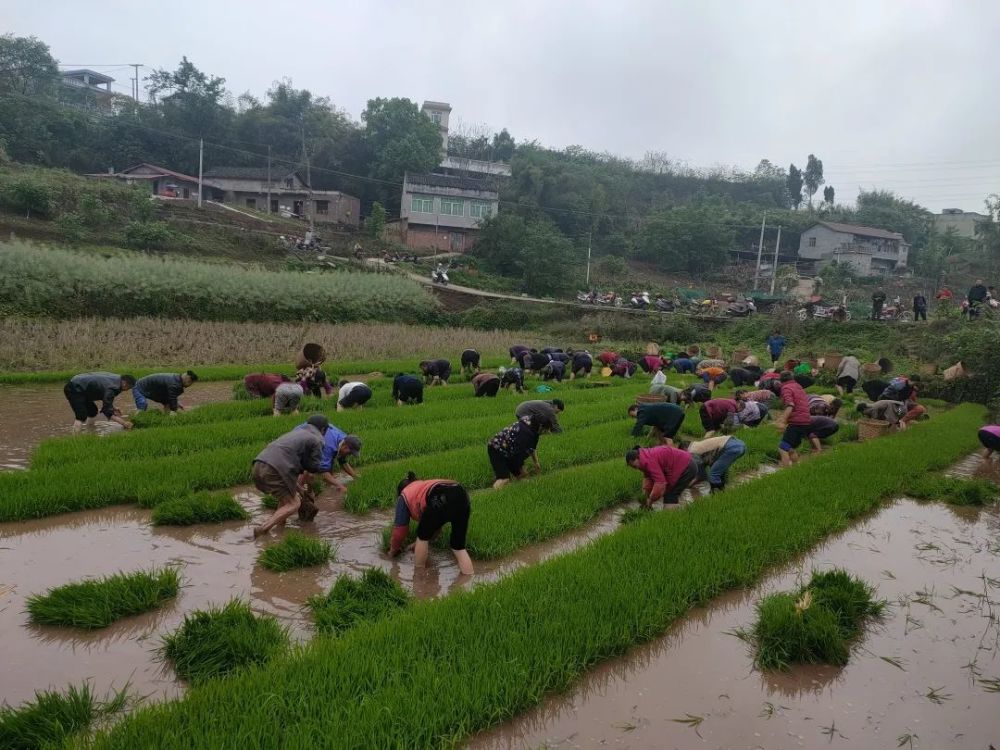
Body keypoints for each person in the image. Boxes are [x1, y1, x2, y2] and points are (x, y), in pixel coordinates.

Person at [251, 414, 327, 537]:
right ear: (323, 429)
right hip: (276, 468)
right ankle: (263, 529)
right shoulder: (317, 439)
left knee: (285, 499)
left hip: (258, 464)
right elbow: (312, 469)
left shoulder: (296, 432)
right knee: (294, 503)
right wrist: (310, 490)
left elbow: (288, 469)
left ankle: (280, 529)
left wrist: (301, 490)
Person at [387, 473, 474, 575]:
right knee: (458, 546)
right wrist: (416, 544)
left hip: (441, 496)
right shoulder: (423, 486)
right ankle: (468, 578)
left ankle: (419, 576)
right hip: (462, 495)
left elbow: (400, 531)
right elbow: (435, 525)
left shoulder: (404, 495)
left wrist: (392, 551)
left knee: (422, 537)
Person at [297, 421, 362, 511]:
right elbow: (322, 472)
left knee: (317, 469)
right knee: (306, 468)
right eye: (350, 453)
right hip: (300, 438)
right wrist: (340, 485)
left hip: (313, 435)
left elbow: (342, 461)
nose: (350, 455)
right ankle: (296, 494)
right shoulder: (328, 446)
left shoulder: (343, 439)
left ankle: (307, 491)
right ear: (346, 447)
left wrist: (355, 476)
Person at [625, 444, 700, 508]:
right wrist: (646, 497)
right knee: (670, 492)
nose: (635, 468)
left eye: (633, 466)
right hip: (684, 463)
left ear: (635, 459)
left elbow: (660, 483)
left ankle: (670, 519)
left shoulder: (648, 461)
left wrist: (650, 500)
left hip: (686, 467)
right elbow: (648, 479)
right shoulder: (644, 457)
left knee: (670, 494)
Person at [64, 372, 136, 431]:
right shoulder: (113, 388)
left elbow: (104, 395)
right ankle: (76, 440)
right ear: (125, 384)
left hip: (83, 388)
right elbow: (106, 410)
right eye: (129, 388)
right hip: (74, 389)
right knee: (81, 415)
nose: (127, 390)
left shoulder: (117, 379)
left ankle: (90, 431)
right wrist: (124, 423)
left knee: (92, 412)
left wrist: (112, 407)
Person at [487, 417, 541, 489]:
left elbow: (532, 449)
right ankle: (494, 495)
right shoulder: (526, 434)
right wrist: (520, 466)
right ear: (541, 427)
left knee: (523, 475)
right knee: (504, 479)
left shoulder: (531, 430)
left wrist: (536, 463)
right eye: (548, 429)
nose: (549, 432)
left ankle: (523, 492)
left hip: (508, 451)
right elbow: (518, 454)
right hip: (497, 448)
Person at [778, 371, 812, 466]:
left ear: (781, 380)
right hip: (805, 421)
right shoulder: (798, 386)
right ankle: (796, 468)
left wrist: (783, 422)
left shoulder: (786, 388)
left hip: (797, 422)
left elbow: (790, 405)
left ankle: (785, 473)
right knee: (791, 448)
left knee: (783, 448)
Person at [133, 371, 197, 414]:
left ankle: (166, 419)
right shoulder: (175, 384)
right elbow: (172, 398)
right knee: (142, 404)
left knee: (169, 404)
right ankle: (136, 421)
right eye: (191, 383)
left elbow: (171, 398)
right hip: (139, 386)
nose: (190, 385)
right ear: (188, 380)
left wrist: (176, 404)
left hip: (151, 389)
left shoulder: (177, 379)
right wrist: (174, 410)